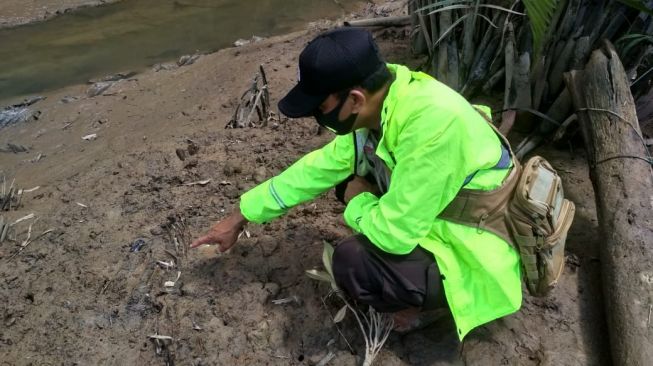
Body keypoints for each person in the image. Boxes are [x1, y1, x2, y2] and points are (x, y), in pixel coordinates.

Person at [190, 27, 522, 339]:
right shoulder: (386, 102)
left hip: (478, 251)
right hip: (441, 215)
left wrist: (358, 199)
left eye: (321, 106)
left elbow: (394, 237)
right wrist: (239, 216)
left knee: (353, 262)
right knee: (346, 182)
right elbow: (315, 170)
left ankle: (426, 307)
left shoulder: (431, 127)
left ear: (355, 99)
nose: (318, 117)